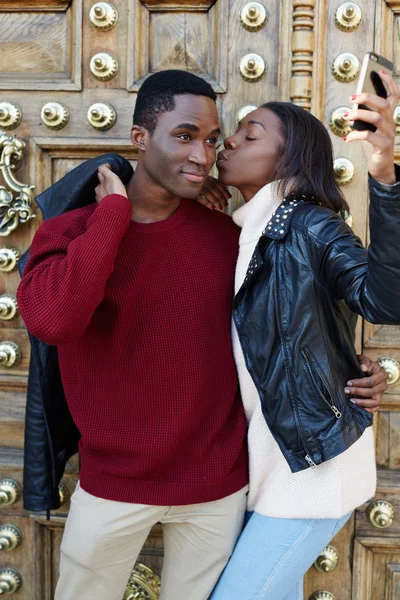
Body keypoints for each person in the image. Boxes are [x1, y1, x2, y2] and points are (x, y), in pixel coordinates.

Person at [17, 69, 387, 600]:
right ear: (140, 138)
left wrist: (349, 370)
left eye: (213, 140)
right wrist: (114, 213)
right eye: (185, 136)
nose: (203, 154)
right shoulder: (73, 231)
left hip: (219, 485)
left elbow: (296, 316)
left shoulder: (231, 236)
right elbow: (56, 322)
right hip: (113, 484)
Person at [196, 72, 400, 600]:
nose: (230, 141)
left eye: (252, 132)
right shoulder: (244, 231)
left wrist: (383, 174)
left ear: (289, 159)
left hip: (313, 470)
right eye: (234, 132)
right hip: (266, 464)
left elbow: (383, 301)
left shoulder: (310, 225)